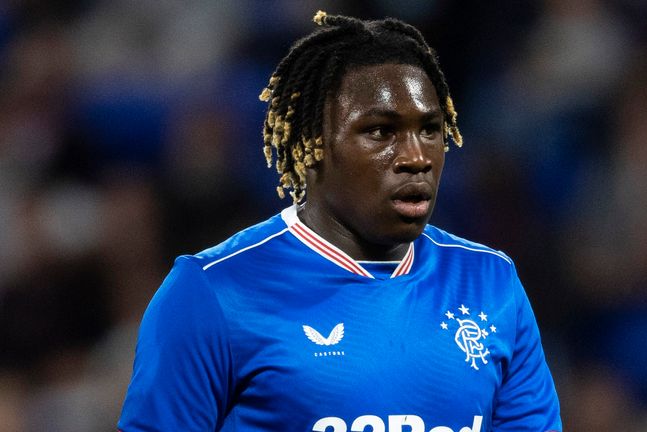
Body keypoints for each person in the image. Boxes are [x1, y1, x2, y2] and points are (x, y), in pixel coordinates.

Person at [118, 11, 562, 432]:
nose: (416, 157)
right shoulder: (212, 292)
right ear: (312, 145)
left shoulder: (489, 283)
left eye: (430, 129)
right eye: (380, 132)